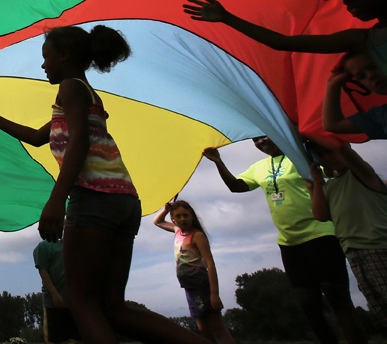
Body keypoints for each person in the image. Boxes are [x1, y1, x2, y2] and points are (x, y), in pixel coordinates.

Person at [0, 25, 208, 344]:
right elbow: (40, 138)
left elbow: (78, 142)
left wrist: (55, 202)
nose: (42, 65)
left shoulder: (70, 87)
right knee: (112, 308)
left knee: (81, 302)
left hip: (94, 199)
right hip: (123, 201)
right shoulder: (81, 94)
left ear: (64, 56)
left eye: (46, 57)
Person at [202, 139, 365, 344]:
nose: (260, 141)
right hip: (289, 243)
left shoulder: (302, 157)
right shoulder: (258, 167)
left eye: (264, 136)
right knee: (309, 306)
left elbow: (336, 169)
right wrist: (218, 161)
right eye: (255, 140)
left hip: (321, 234)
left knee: (339, 301)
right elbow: (237, 186)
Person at [182, 0, 387, 72]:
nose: (346, 0)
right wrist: (226, 18)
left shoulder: (364, 39)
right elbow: (282, 43)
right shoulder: (364, 39)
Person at [305, 135, 387, 325]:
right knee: (379, 307)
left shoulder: (362, 173)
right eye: (321, 155)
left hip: (378, 248)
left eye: (330, 151)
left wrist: (313, 132)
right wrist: (316, 182)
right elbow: (321, 215)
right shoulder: (329, 185)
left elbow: (344, 151)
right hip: (353, 252)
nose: (328, 157)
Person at [153, 201, 234, 344]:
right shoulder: (177, 230)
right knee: (203, 329)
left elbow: (210, 263)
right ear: (173, 218)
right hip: (190, 288)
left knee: (218, 329)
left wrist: (214, 294)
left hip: (202, 286)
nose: (182, 219)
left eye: (186, 215)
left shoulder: (197, 235)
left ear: (192, 217)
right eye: (178, 216)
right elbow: (157, 222)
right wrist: (165, 210)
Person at [322, 52, 387, 138]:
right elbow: (333, 124)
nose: (370, 75)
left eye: (373, 66)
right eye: (362, 76)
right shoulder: (383, 115)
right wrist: (332, 84)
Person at [33, 237, 81, 344]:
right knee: (56, 340)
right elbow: (43, 270)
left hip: (76, 305)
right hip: (54, 304)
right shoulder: (44, 246)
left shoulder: (78, 247)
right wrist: (54, 294)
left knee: (78, 339)